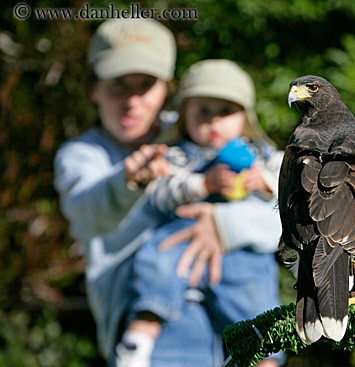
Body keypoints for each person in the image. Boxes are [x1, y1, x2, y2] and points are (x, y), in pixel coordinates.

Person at [54, 19, 281, 366]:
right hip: (156, 326)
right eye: (118, 85)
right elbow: (89, 211)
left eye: (145, 85)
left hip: (238, 303)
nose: (132, 101)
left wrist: (224, 223)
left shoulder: (205, 124)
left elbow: (289, 215)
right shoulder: (83, 156)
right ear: (94, 88)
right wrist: (128, 181)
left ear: (167, 89)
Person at [115, 59, 285, 367]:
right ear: (184, 116)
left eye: (225, 111)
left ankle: (265, 360)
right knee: (156, 263)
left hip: (241, 251)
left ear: (245, 116)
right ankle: (138, 339)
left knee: (255, 301)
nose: (213, 122)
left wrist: (263, 182)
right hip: (181, 243)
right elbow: (160, 195)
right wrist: (201, 184)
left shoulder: (260, 153)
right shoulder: (177, 154)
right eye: (203, 111)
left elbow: (293, 182)